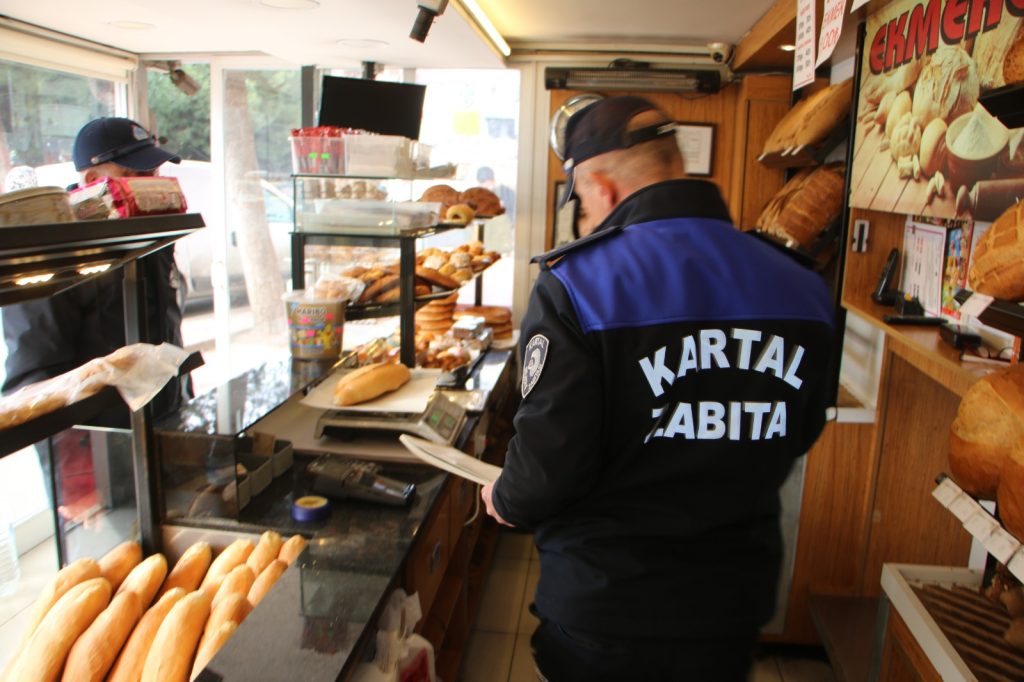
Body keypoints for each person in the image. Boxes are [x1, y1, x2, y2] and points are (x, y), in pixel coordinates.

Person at [480, 96, 837, 681]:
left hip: (608, 605)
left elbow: (548, 467)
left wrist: (508, 498)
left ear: (602, 188)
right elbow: (800, 430)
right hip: (730, 604)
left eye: (583, 203)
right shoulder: (800, 283)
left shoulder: (578, 285)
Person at [1, 117, 190, 516]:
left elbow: (165, 340)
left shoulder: (147, 237)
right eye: (134, 173)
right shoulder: (57, 251)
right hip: (106, 458)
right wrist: (79, 485)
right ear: (90, 179)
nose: (149, 182)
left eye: (152, 171)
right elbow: (37, 379)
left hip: (166, 436)